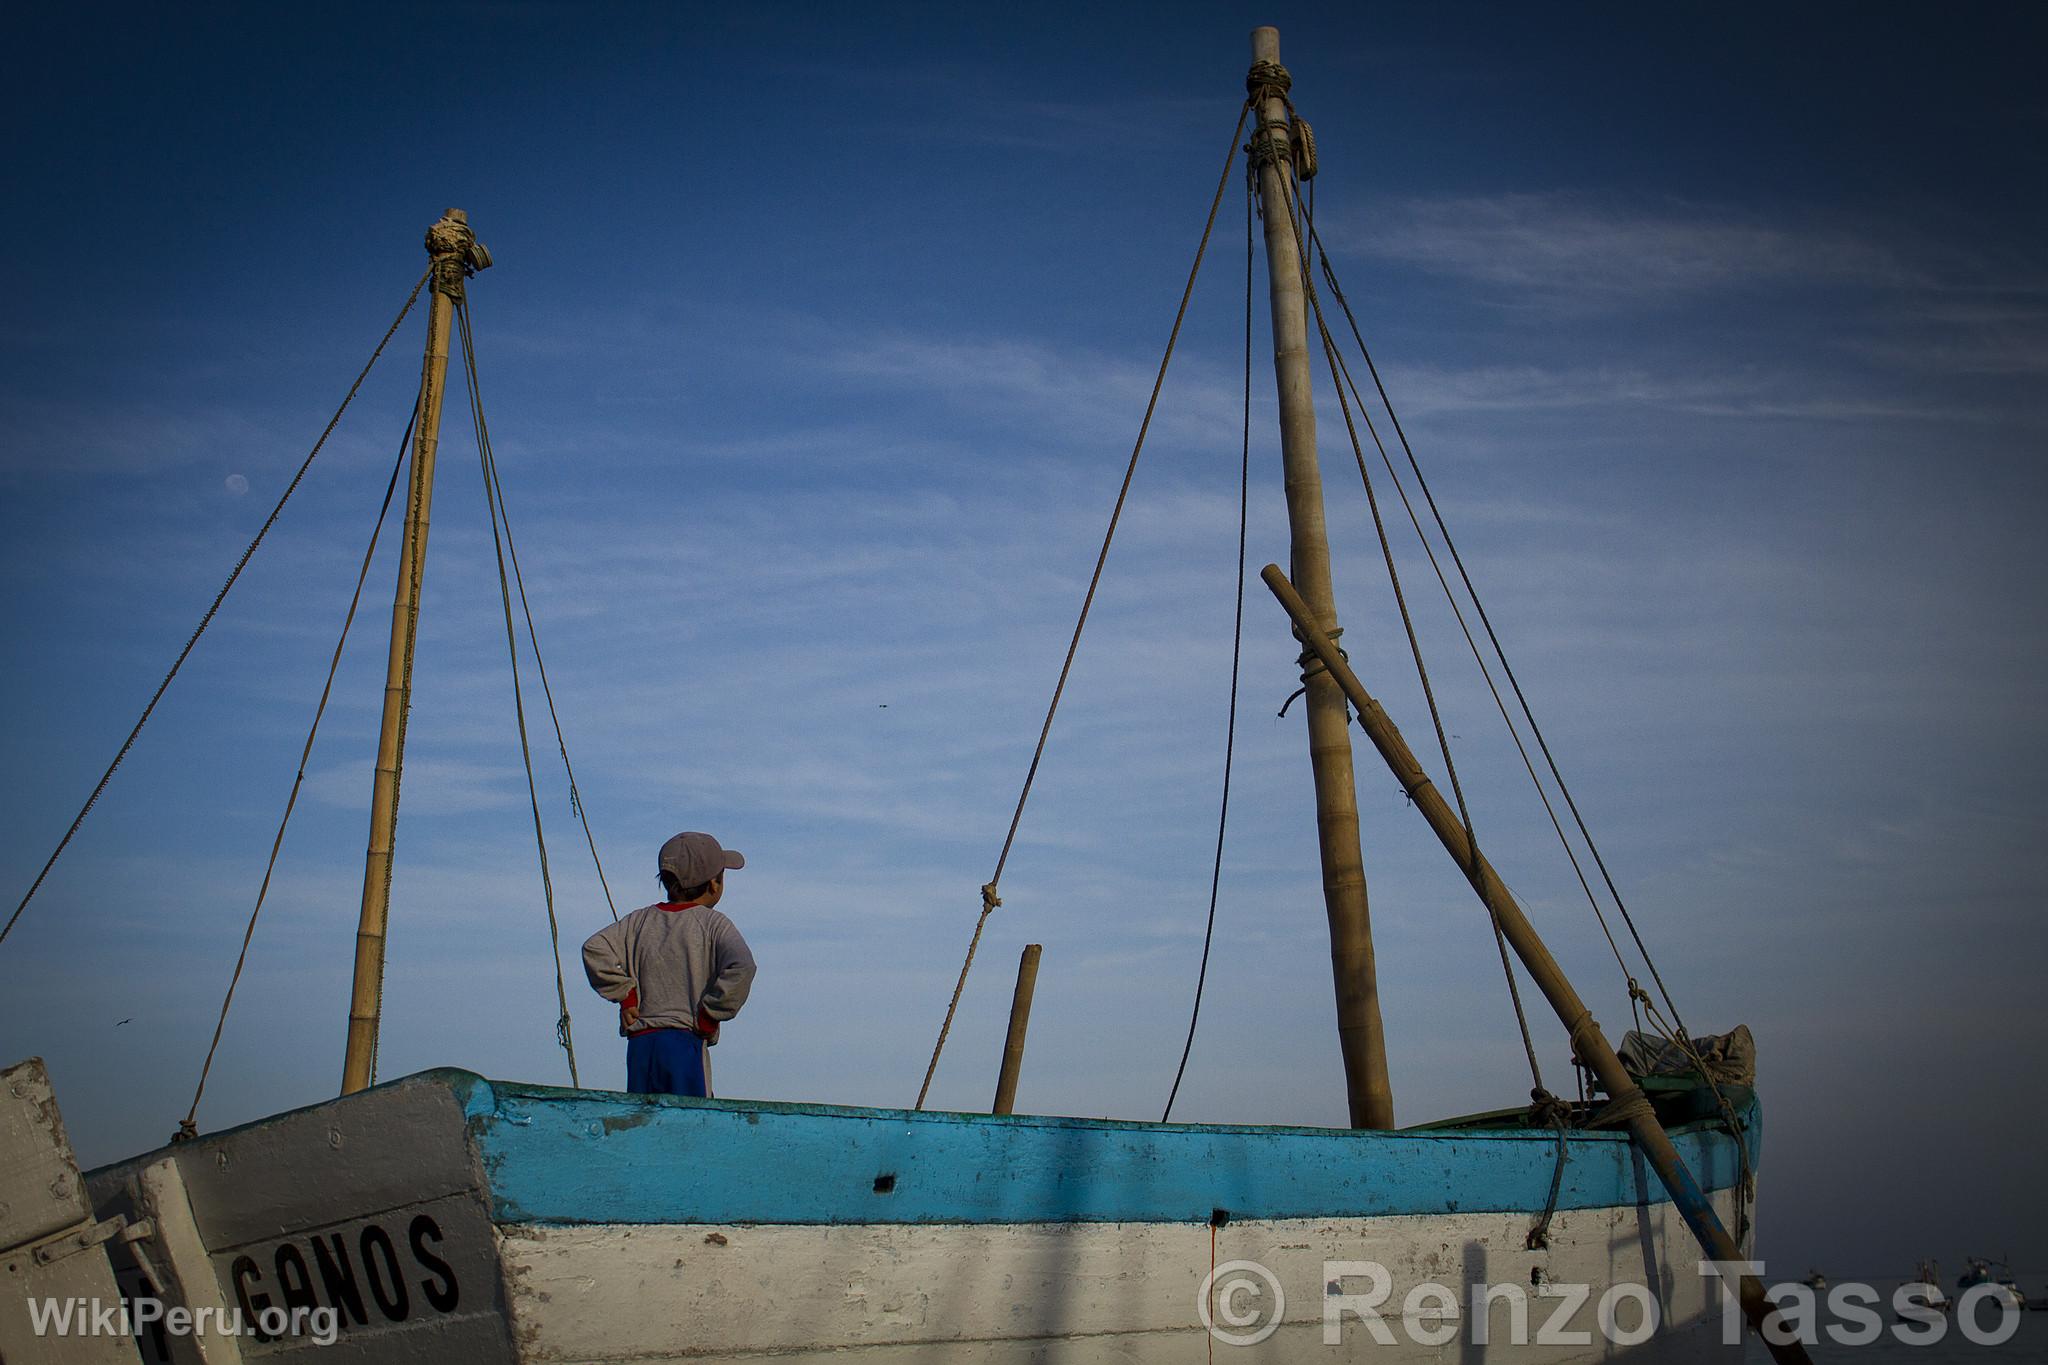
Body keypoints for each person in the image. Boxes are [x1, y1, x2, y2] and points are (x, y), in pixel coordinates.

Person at [581, 831, 757, 1098]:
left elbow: (594, 948)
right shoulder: (714, 924)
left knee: (643, 1123)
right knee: (691, 1124)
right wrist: (711, 1013)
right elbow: (743, 966)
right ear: (714, 884)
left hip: (641, 1046)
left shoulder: (638, 922)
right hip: (685, 1042)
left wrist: (626, 995)